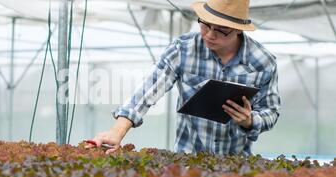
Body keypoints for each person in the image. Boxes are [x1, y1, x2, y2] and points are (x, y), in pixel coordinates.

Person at [88, 0, 281, 155]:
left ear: (239, 29)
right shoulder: (183, 49)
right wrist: (117, 132)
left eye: (221, 30)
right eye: (205, 25)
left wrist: (249, 121)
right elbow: (147, 91)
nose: (209, 35)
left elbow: (270, 111)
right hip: (187, 160)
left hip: (236, 163)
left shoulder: (263, 63)